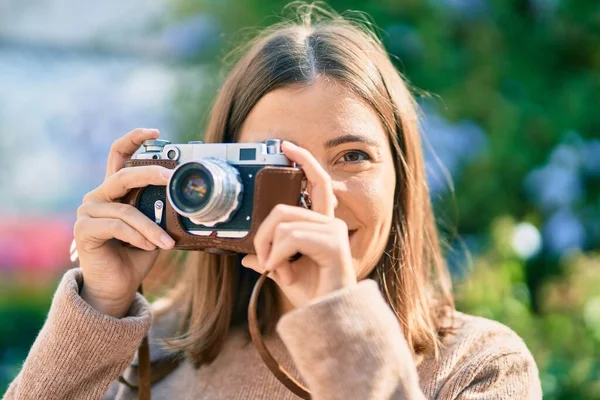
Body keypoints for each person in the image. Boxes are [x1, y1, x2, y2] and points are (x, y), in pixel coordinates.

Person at [4, 4, 542, 400]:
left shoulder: (482, 365)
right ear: (216, 176)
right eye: (280, 164)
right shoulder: (162, 351)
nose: (318, 197)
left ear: (401, 174)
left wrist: (336, 321)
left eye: (352, 156)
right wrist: (100, 304)